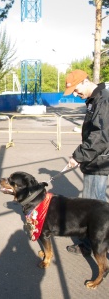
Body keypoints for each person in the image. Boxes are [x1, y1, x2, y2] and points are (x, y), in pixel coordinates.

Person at [63, 69, 109, 256]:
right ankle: (91, 242)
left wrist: (78, 156)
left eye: (76, 90)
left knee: (94, 206)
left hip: (98, 162)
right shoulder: (94, 100)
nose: (75, 94)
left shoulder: (102, 101)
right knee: (97, 204)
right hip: (94, 160)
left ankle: (92, 245)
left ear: (85, 81)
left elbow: (100, 137)